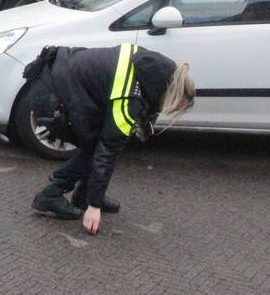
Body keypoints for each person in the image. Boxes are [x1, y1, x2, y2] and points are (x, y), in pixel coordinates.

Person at [28, 43, 195, 234]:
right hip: (51, 98)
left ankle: (83, 195)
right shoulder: (129, 98)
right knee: (97, 148)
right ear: (170, 94)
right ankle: (51, 194)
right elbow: (107, 151)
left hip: (54, 81)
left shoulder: (147, 65)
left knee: (99, 142)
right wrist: (95, 207)